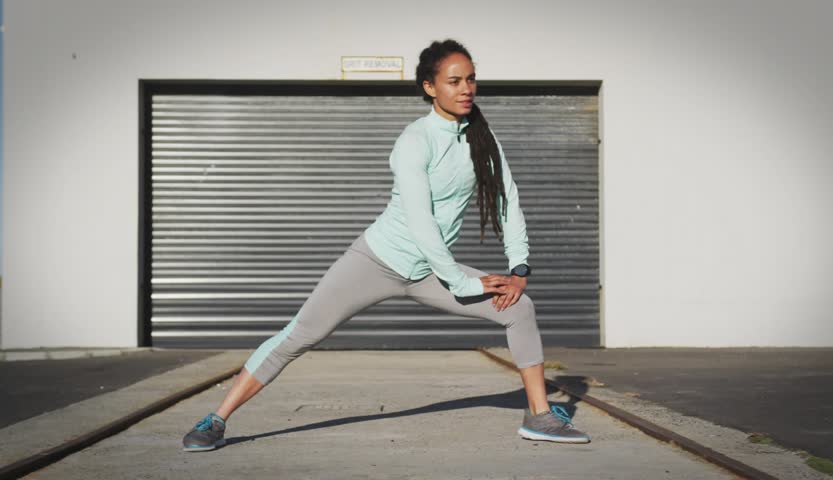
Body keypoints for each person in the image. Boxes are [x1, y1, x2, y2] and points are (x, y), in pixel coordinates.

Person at [182, 39, 590, 452]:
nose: (466, 88)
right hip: (378, 260)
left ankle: (540, 416)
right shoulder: (415, 140)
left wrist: (519, 269)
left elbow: (507, 201)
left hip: (432, 271)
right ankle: (216, 419)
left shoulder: (482, 139)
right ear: (430, 87)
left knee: (519, 307)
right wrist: (463, 283)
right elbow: (420, 223)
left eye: (470, 79)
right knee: (300, 335)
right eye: (454, 81)